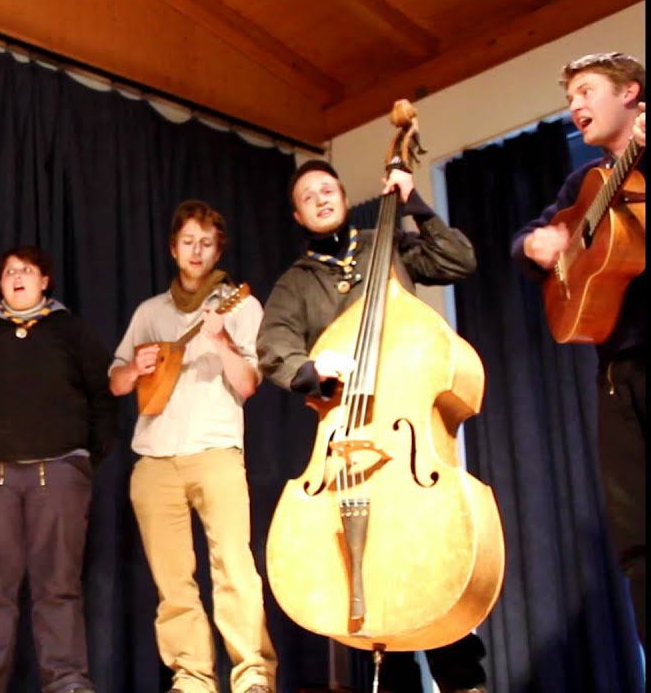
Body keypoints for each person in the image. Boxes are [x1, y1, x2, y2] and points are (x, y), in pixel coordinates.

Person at [257, 160, 487, 693]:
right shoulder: (295, 282)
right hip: (348, 446)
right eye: (308, 194)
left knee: (431, 560)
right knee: (367, 578)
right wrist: (311, 371)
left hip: (409, 442)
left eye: (328, 189)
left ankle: (463, 682)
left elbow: (460, 260)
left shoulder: (388, 243)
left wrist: (414, 206)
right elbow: (274, 347)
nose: (320, 198)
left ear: (342, 196)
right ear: (297, 213)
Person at [109, 201, 276, 693]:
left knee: (234, 570)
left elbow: (248, 384)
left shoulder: (242, 306)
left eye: (206, 242)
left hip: (216, 452)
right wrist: (135, 368)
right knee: (173, 581)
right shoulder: (149, 313)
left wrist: (222, 342)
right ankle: (192, 677)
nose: (196, 250)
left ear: (218, 248)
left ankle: (252, 676)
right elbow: (117, 384)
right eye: (188, 241)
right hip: (154, 460)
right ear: (173, 248)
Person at [512, 51, 646, 645]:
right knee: (636, 537)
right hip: (615, 373)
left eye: (587, 91)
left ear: (631, 94)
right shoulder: (583, 181)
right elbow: (529, 241)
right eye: (571, 98)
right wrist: (536, 247)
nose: (575, 106)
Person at [0, 245, 115, 693]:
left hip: (58, 474)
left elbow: (102, 394)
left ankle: (68, 681)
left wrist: (83, 460)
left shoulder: (70, 330)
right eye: (8, 272)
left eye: (27, 270)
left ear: (45, 282)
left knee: (57, 588)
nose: (17, 277)